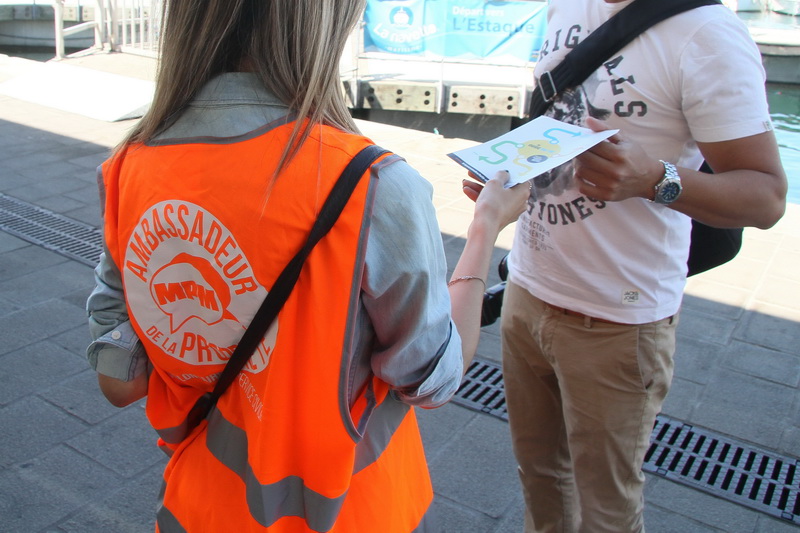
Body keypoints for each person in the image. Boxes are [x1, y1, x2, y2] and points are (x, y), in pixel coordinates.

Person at [84, 1, 529, 532]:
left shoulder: (127, 167)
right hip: (349, 511)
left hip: (199, 506)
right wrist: (485, 228)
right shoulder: (371, 184)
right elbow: (432, 378)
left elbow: (120, 382)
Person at [499, 0, 788, 532]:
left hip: (618, 320)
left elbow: (766, 197)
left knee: (607, 509)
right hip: (527, 285)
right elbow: (557, 125)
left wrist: (657, 179)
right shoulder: (566, 4)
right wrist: (505, 174)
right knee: (539, 476)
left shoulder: (708, 35)